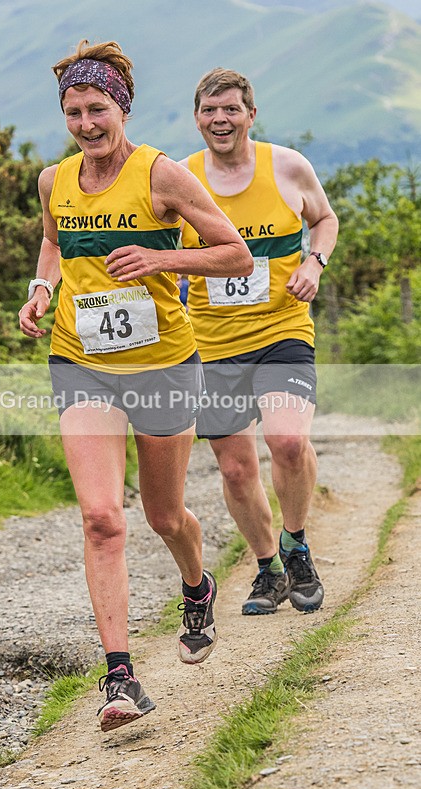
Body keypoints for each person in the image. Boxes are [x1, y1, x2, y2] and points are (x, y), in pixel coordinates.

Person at [18, 42, 253, 732]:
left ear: (120, 107)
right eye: (73, 112)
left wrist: (160, 255)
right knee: (101, 517)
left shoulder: (162, 175)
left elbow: (234, 251)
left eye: (96, 109)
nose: (86, 123)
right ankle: (120, 676)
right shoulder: (53, 179)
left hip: (160, 362)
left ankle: (196, 583)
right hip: (80, 358)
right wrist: (40, 289)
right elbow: (57, 243)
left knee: (162, 515)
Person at [180, 68, 338, 617]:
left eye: (231, 110)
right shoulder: (180, 179)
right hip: (211, 342)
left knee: (288, 441)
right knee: (234, 469)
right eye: (209, 111)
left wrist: (314, 266)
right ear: (197, 117)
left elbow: (324, 220)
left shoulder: (287, 166)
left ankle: (296, 547)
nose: (220, 120)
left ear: (251, 114)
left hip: (281, 330)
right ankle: (266, 566)